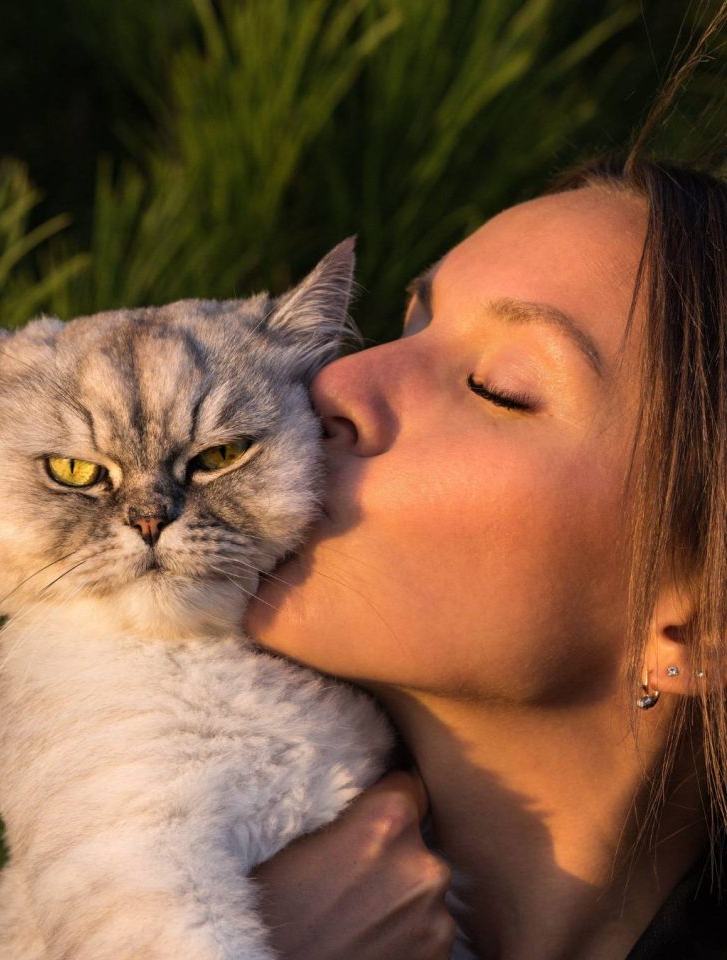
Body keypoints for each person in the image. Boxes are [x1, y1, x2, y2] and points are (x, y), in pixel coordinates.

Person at [242, 149, 727, 959]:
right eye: (412, 322)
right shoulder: (139, 838)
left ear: (702, 625)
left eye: (498, 386)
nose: (334, 383)